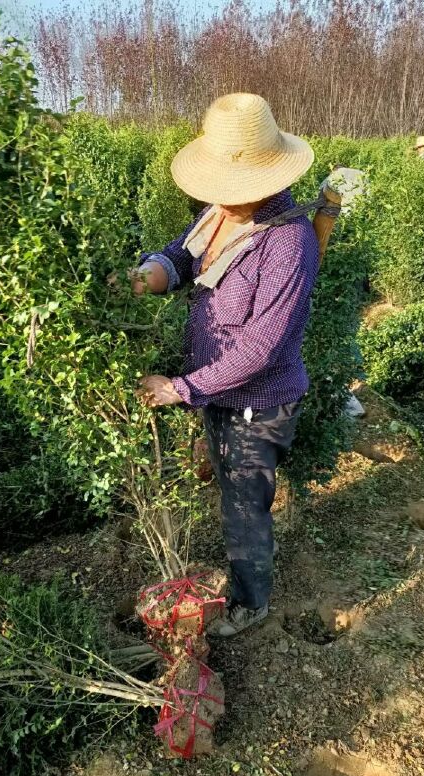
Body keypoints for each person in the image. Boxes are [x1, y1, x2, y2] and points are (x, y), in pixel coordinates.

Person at [134, 93, 319, 637]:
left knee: (244, 509)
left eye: (232, 191)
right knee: (230, 487)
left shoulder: (288, 242)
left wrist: (180, 387)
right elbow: (179, 256)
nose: (222, 200)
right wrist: (144, 277)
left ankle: (250, 602)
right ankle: (245, 579)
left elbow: (259, 349)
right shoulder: (220, 216)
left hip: (257, 406)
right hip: (219, 394)